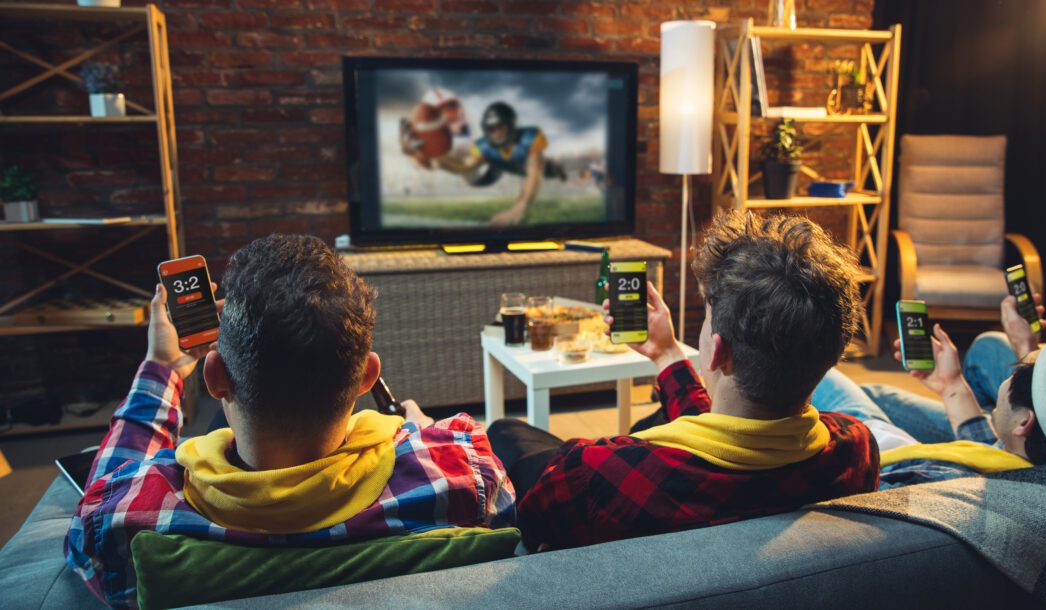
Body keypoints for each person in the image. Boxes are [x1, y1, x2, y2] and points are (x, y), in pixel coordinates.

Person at [65, 235, 516, 608]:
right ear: (367, 376)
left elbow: (101, 492)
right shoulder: (466, 473)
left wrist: (161, 367)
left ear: (216, 377)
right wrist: (420, 431)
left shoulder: (122, 523)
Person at [488, 211, 880, 551]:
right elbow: (729, 440)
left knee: (506, 432)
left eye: (707, 320)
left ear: (715, 352)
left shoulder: (593, 473)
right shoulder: (855, 449)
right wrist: (666, 353)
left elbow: (532, 524)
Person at [812, 293, 1046, 488]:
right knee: (880, 391)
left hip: (890, 453)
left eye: (1015, 372)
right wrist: (951, 385)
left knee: (830, 380)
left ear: (1024, 423)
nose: (1010, 372)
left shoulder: (944, 477)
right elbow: (992, 450)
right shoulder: (1037, 460)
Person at [423, 101, 567, 226]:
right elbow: (465, 165)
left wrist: (518, 209)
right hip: (502, 164)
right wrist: (439, 159)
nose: (496, 132)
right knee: (485, 170)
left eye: (500, 127)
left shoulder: (529, 137)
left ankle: (555, 165)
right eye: (491, 128)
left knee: (549, 171)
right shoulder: (484, 146)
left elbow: (534, 174)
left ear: (511, 125)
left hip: (532, 165)